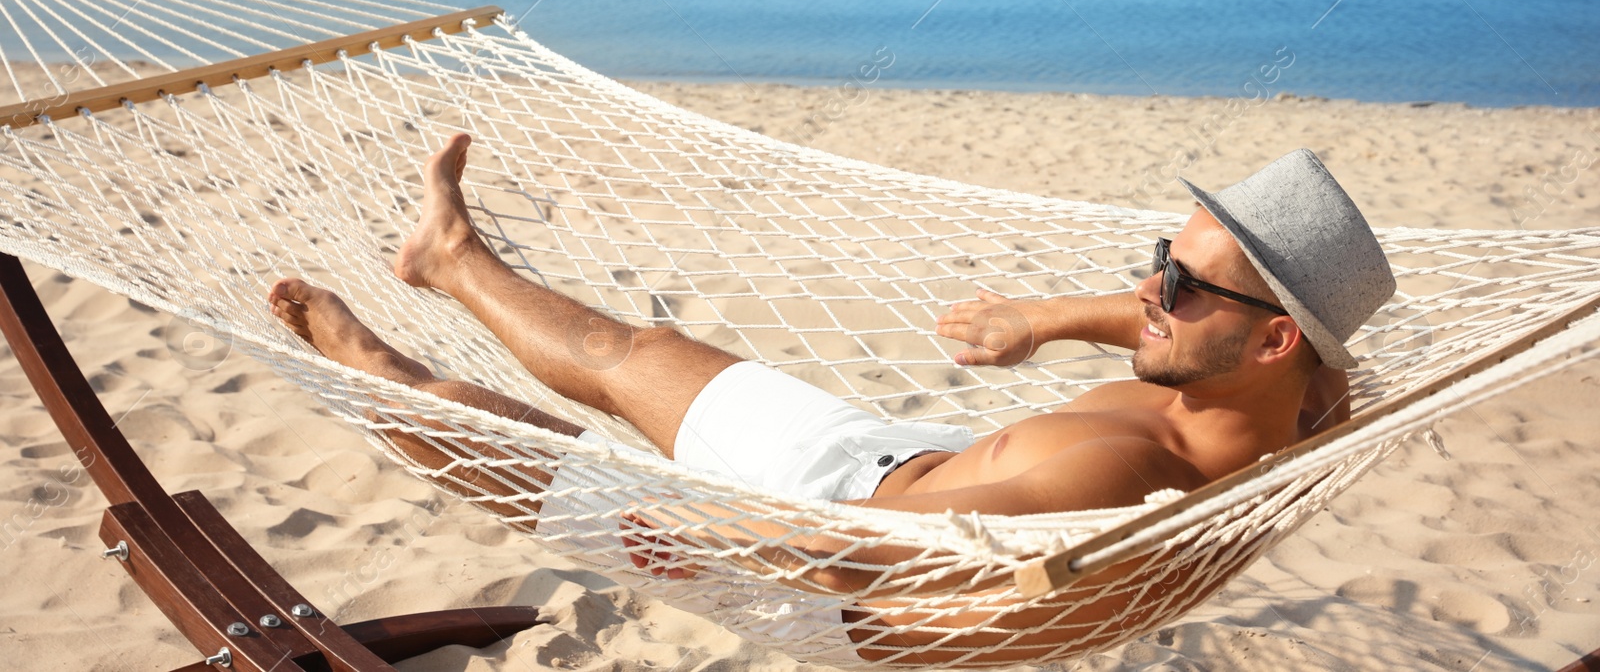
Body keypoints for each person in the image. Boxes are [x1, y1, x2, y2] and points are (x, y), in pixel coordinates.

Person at [268, 134, 1394, 564]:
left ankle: (384, 372)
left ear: (1274, 332)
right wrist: (1050, 316)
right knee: (634, 349)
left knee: (542, 452)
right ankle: (450, 253)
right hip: (896, 453)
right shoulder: (1305, 394)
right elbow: (1192, 340)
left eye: (1181, 282)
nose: (1147, 287)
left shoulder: (1119, 477)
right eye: (1161, 253)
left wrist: (694, 519)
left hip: (822, 527)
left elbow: (851, 551)